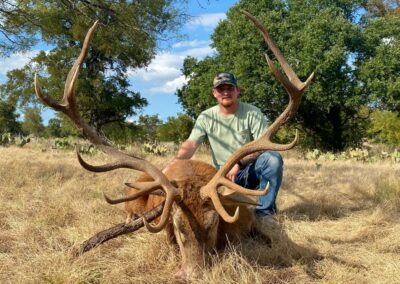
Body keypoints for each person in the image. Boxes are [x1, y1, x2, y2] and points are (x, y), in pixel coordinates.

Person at [164, 72, 283, 219]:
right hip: (220, 177)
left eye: (230, 88)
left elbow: (264, 146)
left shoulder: (253, 113)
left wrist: (238, 162)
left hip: (248, 171)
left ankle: (265, 214)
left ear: (237, 91)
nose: (225, 92)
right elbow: (191, 143)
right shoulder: (206, 117)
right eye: (221, 89)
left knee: (273, 159)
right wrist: (174, 163)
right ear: (214, 93)